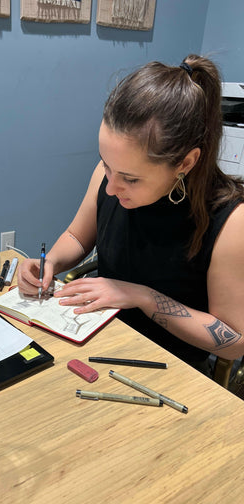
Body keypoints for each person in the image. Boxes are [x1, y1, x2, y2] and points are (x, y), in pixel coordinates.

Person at [18, 54, 244, 372]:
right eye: (107, 165)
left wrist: (143, 297)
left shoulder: (231, 220)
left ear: (185, 163)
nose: (111, 187)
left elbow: (234, 342)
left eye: (131, 179)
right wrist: (50, 263)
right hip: (98, 338)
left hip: (169, 368)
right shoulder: (109, 176)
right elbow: (76, 236)